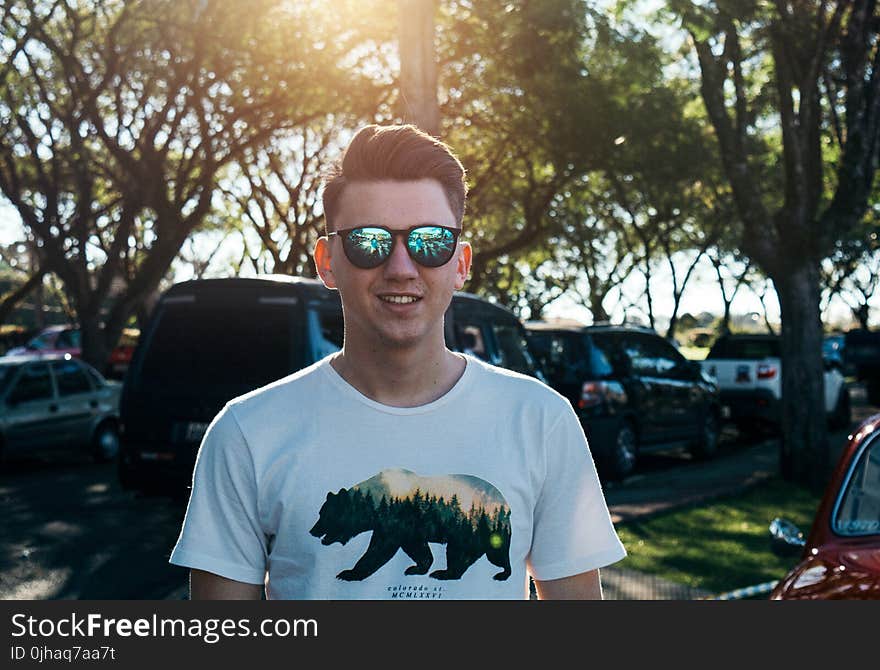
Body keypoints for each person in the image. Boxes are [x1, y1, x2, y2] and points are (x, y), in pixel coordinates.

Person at [169, 124, 626, 599]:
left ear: (461, 264)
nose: (401, 267)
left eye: (430, 241)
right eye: (369, 241)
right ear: (327, 261)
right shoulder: (248, 433)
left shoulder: (540, 420)